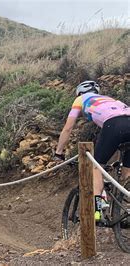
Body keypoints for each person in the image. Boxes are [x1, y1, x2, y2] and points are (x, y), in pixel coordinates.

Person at [55, 80, 130, 221]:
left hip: (114, 125)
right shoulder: (111, 100)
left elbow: (68, 128)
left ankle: (97, 210)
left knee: (96, 167)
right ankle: (124, 210)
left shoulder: (80, 99)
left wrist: (58, 153)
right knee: (127, 174)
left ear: (79, 92)